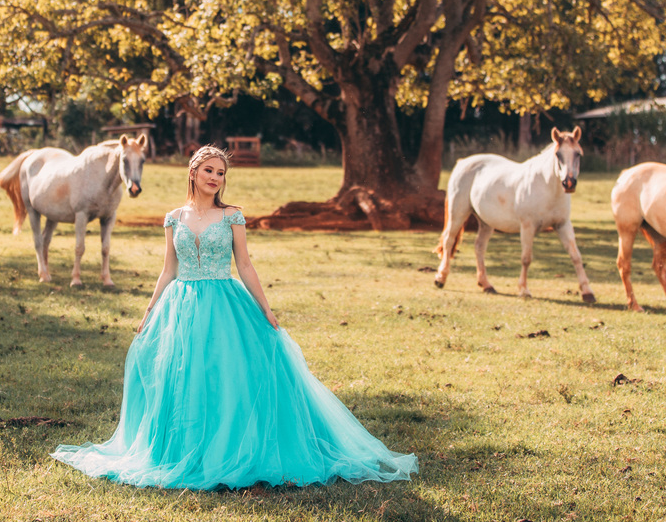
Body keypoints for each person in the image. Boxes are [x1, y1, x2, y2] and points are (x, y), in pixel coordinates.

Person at [52, 145, 419, 490]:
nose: (215, 177)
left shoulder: (232, 216)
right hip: (180, 304)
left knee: (227, 374)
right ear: (193, 172)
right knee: (183, 376)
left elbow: (244, 265)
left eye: (221, 173)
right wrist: (150, 311)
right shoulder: (174, 218)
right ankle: (182, 448)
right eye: (209, 171)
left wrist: (266, 308)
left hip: (225, 302)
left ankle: (231, 447)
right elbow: (168, 270)